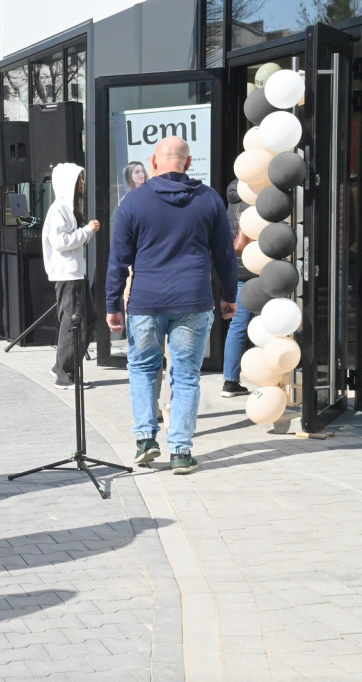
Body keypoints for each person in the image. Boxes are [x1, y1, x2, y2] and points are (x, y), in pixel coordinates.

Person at [105, 136, 237, 475]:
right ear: (188, 163)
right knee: (187, 375)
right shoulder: (208, 199)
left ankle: (146, 439)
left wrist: (112, 303)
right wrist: (229, 296)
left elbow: (118, 260)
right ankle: (180, 450)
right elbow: (224, 254)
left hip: (146, 300)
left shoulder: (134, 202)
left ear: (153, 161)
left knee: (144, 369)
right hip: (194, 298)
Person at [42, 163, 99, 390]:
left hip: (74, 272)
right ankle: (65, 374)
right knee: (74, 323)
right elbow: (61, 242)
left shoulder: (66, 208)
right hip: (68, 274)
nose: (83, 184)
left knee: (86, 318)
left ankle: (62, 367)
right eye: (80, 180)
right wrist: (87, 231)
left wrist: (86, 233)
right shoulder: (59, 209)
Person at [221, 179, 255, 398]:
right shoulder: (259, 191)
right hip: (261, 266)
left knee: (238, 326)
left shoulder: (233, 196)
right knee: (272, 324)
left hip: (239, 268)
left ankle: (230, 381)